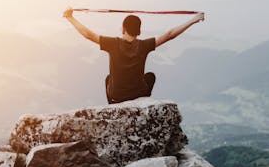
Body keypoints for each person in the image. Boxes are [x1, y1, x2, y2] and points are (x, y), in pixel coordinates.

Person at [63, 7, 205, 104]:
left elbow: (88, 34)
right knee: (150, 76)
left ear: (124, 29)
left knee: (108, 79)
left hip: (116, 95)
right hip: (137, 94)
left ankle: (113, 104)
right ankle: (140, 101)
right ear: (139, 31)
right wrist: (193, 20)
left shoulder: (112, 44)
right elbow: (169, 35)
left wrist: (70, 17)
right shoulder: (144, 45)